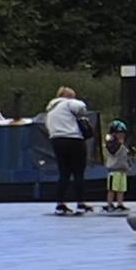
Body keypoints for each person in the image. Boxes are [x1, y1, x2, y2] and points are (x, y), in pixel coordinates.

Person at [36, 81, 92, 217]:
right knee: (78, 173)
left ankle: (60, 204)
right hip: (74, 140)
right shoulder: (68, 103)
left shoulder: (50, 110)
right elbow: (81, 107)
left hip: (57, 141)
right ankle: (80, 204)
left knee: (64, 173)